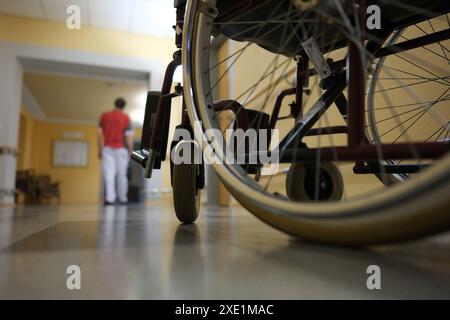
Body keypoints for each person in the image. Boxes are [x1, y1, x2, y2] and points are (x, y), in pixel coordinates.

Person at [97, 98, 133, 205]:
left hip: (107, 148)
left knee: (109, 174)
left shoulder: (104, 116)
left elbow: (98, 133)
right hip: (121, 149)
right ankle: (122, 199)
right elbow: (129, 137)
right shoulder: (126, 118)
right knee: (122, 175)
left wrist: (99, 148)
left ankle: (110, 199)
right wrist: (130, 151)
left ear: (115, 104)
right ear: (124, 106)